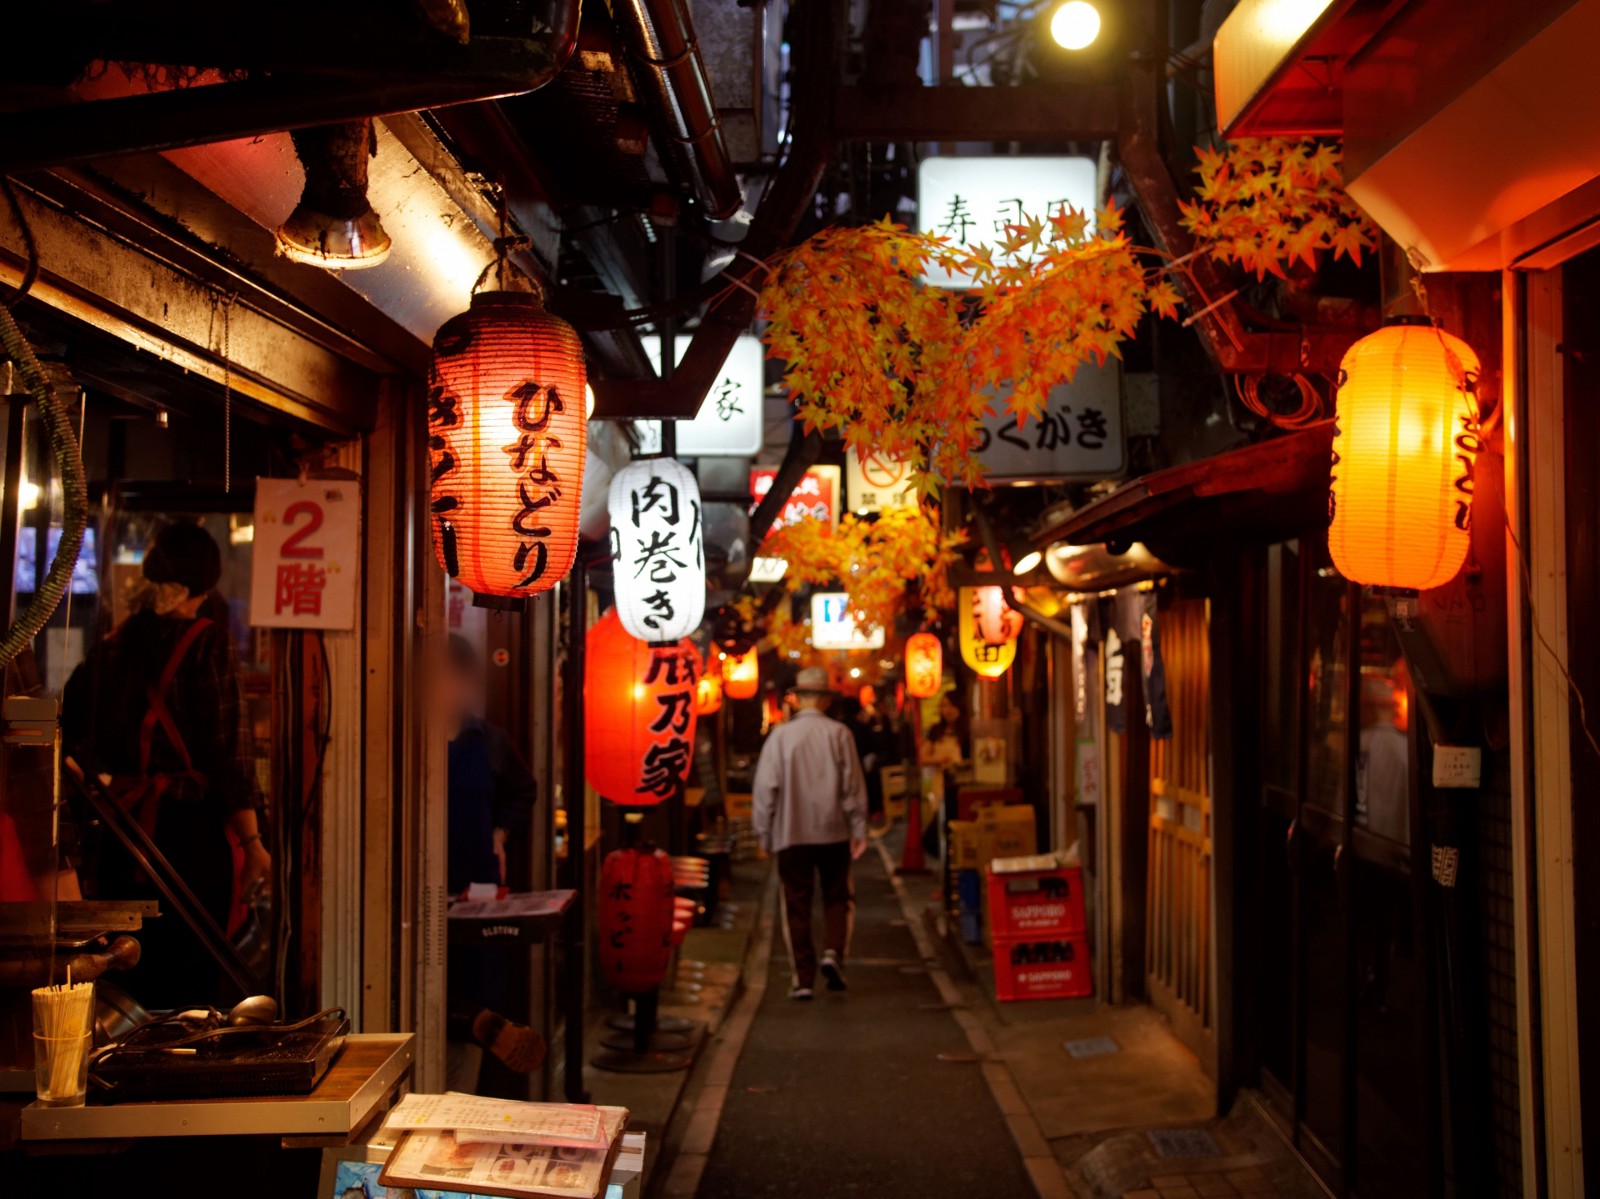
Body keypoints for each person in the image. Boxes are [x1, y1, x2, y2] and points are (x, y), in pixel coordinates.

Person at [62, 522, 266, 1009]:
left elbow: (68, 735)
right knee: (192, 989)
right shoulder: (206, 641)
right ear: (207, 581)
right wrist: (253, 843)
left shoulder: (114, 642)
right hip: (188, 843)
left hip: (121, 838)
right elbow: (229, 751)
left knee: (129, 984)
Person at [439, 633, 545, 1090]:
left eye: (453, 677)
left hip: (477, 892)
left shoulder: (487, 740)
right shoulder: (402, 738)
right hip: (419, 894)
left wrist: (501, 831)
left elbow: (524, 790)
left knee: (474, 994)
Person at [752, 667, 870, 1000]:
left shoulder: (780, 737)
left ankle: (803, 979)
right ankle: (833, 952)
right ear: (823, 699)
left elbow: (765, 789)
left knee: (796, 904)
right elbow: (853, 788)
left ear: (797, 699)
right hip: (833, 831)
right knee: (837, 898)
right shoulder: (839, 734)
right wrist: (859, 828)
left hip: (791, 832)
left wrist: (763, 833)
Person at [851, 684, 890, 826]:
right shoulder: (863, 721)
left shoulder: (874, 713)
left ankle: (871, 811)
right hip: (868, 758)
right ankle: (872, 810)